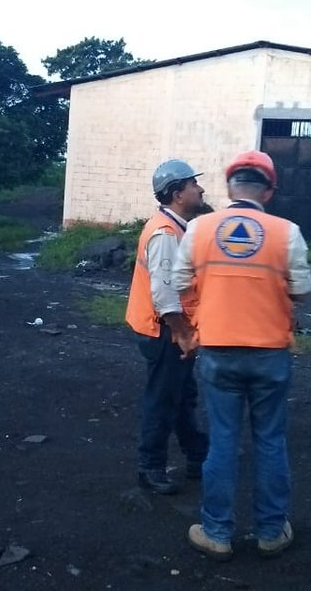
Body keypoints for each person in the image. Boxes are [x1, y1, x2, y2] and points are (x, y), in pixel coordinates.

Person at [171, 150, 311, 561]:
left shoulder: (199, 229)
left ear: (231, 186)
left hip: (217, 351)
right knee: (270, 441)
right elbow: (301, 290)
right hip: (270, 353)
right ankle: (271, 532)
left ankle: (216, 532)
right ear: (269, 191)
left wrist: (209, 302)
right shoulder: (287, 232)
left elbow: (179, 282)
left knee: (223, 442)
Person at [124, 159, 210, 495]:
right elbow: (164, 293)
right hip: (164, 331)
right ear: (177, 194)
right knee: (163, 399)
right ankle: (151, 467)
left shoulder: (176, 229)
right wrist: (183, 333)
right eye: (193, 184)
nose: (200, 189)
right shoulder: (165, 234)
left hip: (168, 329)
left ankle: (197, 456)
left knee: (182, 395)